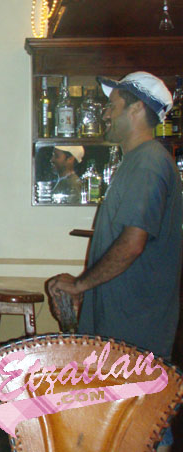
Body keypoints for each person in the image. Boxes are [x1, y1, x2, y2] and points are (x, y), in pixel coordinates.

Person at [48, 71, 182, 356]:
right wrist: (84, 288)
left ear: (137, 108)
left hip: (135, 330)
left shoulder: (148, 163)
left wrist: (80, 284)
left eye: (112, 105)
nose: (105, 114)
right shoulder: (138, 161)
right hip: (125, 324)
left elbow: (132, 244)